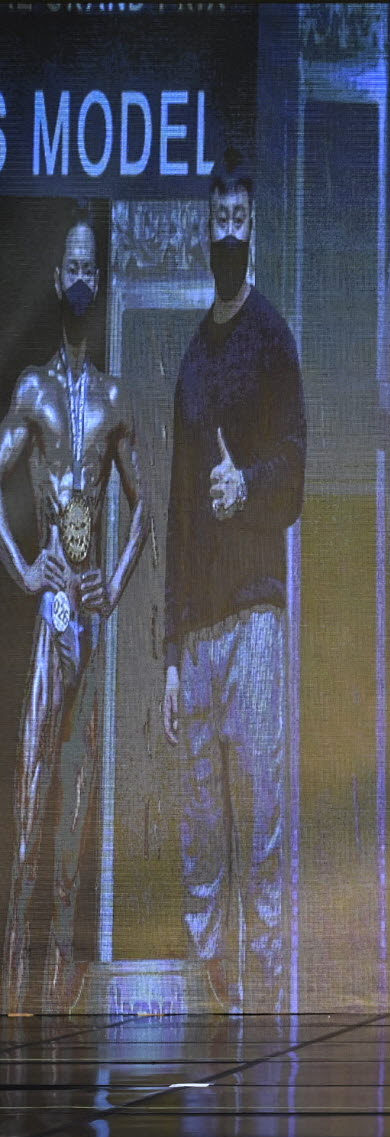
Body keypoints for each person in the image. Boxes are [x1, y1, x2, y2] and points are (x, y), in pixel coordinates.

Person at [162, 156, 307, 1011]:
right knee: (198, 822)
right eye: (216, 217)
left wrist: (245, 484)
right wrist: (170, 651)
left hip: (254, 614)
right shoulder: (191, 358)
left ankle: (271, 991)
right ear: (205, 227)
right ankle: (210, 996)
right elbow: (178, 509)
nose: (226, 229)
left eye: (237, 218)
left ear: (252, 230)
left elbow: (295, 465)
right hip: (198, 629)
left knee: (259, 809)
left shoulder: (272, 337)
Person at [0, 212, 148, 1010]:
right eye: (74, 267)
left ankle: (59, 978)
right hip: (51, 609)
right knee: (34, 786)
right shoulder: (34, 389)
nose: (83, 278)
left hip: (90, 613)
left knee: (81, 795)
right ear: (58, 280)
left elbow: (145, 504)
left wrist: (115, 587)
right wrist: (26, 568)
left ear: (100, 280)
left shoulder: (116, 397)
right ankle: (12, 976)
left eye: (94, 267)